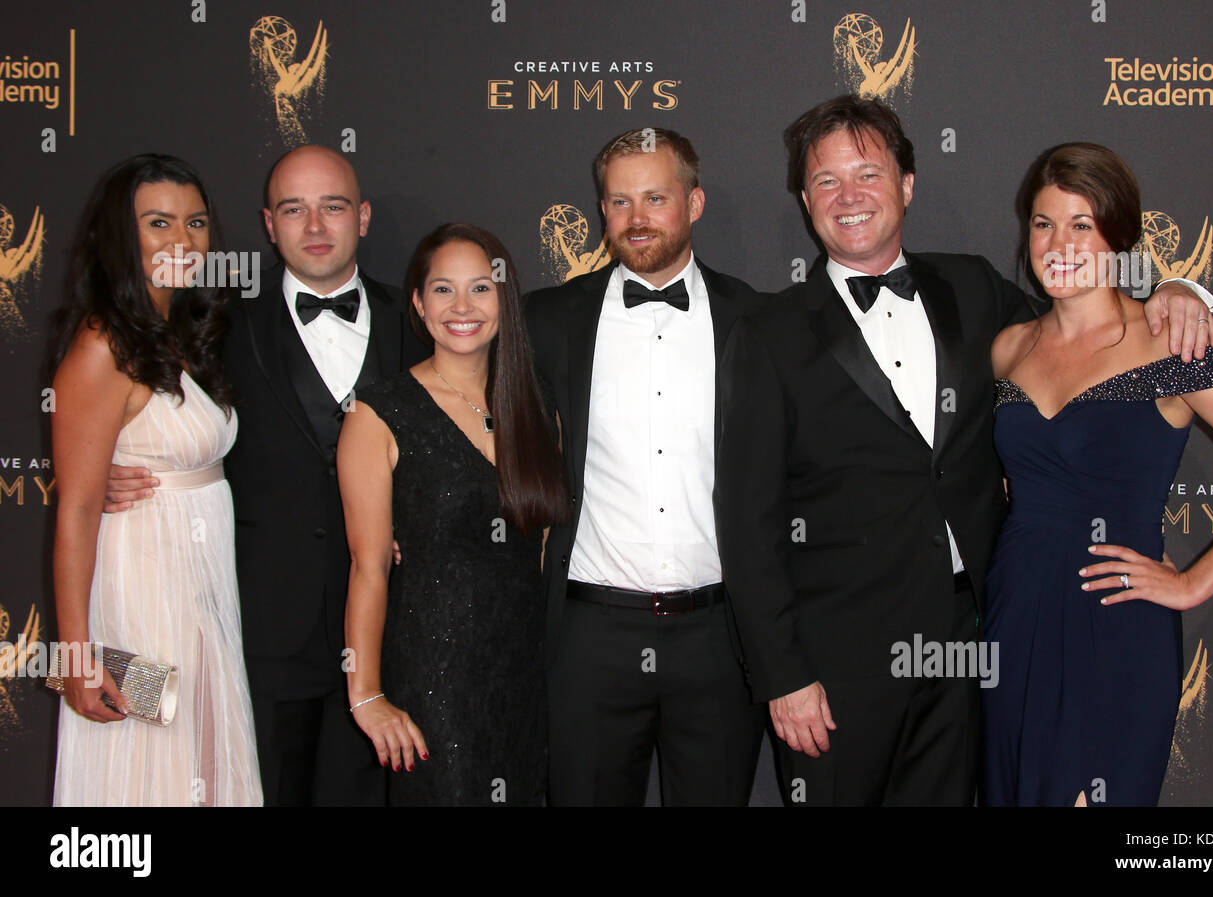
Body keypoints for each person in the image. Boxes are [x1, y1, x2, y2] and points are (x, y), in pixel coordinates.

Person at [714, 95, 1213, 806]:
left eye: (868, 172)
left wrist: (1177, 288)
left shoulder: (974, 289)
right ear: (804, 197)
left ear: (907, 184)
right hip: (833, 671)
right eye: (827, 180)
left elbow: (1084, 324)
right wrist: (783, 676)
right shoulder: (767, 332)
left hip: (974, 649)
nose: (849, 196)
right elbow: (746, 521)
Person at [981, 143, 1213, 806]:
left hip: (1116, 625)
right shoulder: (1009, 348)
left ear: (1119, 237)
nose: (1058, 242)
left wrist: (1190, 583)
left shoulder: (1171, 343)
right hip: (1015, 618)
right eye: (1043, 223)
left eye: (1081, 225)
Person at [105, 146, 422, 805]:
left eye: (332, 206)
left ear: (362, 218)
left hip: (398, 635)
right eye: (293, 209)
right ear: (267, 224)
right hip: (255, 635)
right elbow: (148, 418)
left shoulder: (426, 323)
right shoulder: (212, 324)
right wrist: (102, 473)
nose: (314, 226)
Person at [525, 127, 768, 806]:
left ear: (694, 203)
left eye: (655, 198)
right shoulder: (546, 320)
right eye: (618, 201)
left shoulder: (756, 319)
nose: (636, 219)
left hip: (720, 636)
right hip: (590, 637)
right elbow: (482, 431)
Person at [49, 153, 261, 805]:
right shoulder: (101, 344)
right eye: (159, 222)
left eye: (196, 222)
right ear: (122, 233)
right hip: (141, 592)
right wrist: (76, 658)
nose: (183, 240)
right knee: (145, 760)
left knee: (197, 749)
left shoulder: (182, 332)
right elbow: (78, 511)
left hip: (201, 594)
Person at [339, 223, 568, 806]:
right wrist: (366, 696)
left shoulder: (537, 402)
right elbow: (369, 568)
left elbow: (543, 549)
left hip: (527, 677)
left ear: (504, 299)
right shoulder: (380, 413)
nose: (462, 307)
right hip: (432, 680)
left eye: (480, 289)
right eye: (443, 290)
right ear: (418, 302)